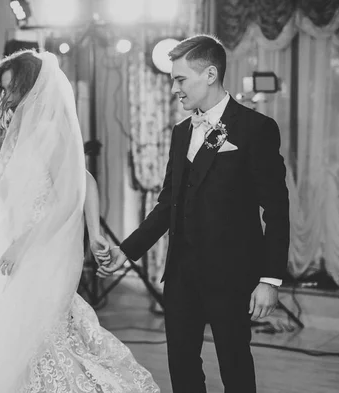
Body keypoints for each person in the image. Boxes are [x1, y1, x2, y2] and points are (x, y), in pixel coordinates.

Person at [0, 50, 160, 393]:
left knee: (40, 335)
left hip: (43, 248)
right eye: (3, 89)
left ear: (32, 88)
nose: (7, 97)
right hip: (17, 246)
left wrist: (84, 234)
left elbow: (75, 189)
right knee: (17, 338)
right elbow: (82, 179)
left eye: (12, 89)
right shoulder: (25, 129)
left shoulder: (51, 127)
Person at [99, 35, 290, 393]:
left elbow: (277, 210)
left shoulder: (255, 129)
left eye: (180, 79)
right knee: (182, 368)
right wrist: (125, 252)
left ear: (210, 74)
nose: (174, 89)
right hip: (181, 276)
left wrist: (270, 280)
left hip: (232, 276)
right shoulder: (180, 132)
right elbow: (167, 204)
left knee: (235, 367)